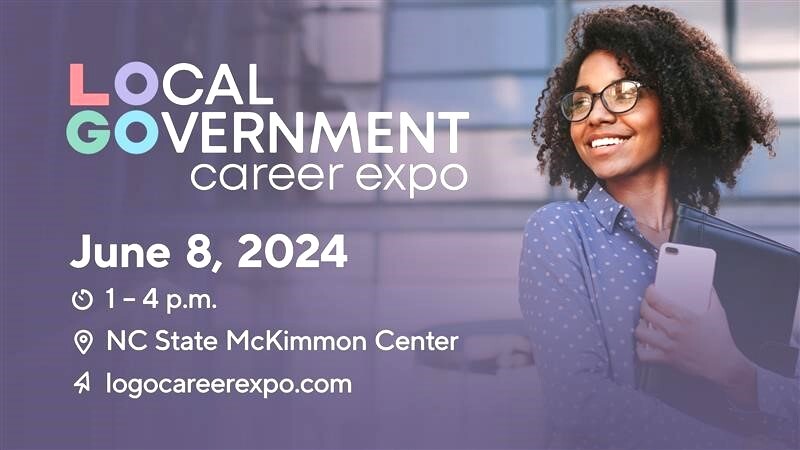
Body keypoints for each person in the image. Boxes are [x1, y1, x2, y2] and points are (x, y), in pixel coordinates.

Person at [517, 5, 798, 449]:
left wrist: (732, 369)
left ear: (673, 103)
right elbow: (579, 404)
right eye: (581, 100)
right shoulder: (561, 231)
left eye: (623, 93)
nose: (596, 116)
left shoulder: (732, 254)